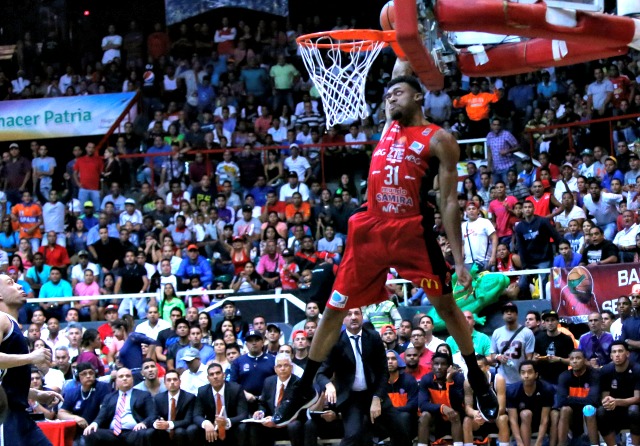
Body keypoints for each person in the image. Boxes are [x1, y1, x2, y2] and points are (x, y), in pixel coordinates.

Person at [275, 65, 497, 426]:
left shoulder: (438, 138)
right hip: (370, 229)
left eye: (398, 93)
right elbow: (399, 63)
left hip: (411, 230)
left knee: (445, 305)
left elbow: (449, 203)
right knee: (334, 310)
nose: (390, 97)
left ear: (418, 96)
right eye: (387, 94)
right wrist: (398, 21)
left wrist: (459, 260)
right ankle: (303, 387)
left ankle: (475, 373)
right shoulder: (388, 127)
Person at [315, 307, 413, 446]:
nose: (353, 317)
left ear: (362, 316)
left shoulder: (373, 337)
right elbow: (321, 373)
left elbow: (383, 371)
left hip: (374, 393)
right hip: (351, 398)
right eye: (349, 314)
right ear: (343, 319)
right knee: (353, 434)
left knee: (400, 428)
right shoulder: (336, 342)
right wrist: (328, 384)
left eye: (357, 313)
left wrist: (377, 397)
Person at [0, 273, 62, 443]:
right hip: (6, 416)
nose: (20, 286)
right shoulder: (1, 319)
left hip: (21, 414)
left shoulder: (14, 324)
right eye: (10, 283)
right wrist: (31, 357)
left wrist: (36, 394)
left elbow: (6, 380)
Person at [83, 367, 157, 446]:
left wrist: (143, 423)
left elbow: (153, 414)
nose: (125, 378)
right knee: (90, 433)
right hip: (112, 433)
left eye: (128, 376)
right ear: (116, 381)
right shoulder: (109, 397)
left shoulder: (143, 395)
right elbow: (102, 415)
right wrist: (94, 423)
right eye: (121, 376)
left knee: (148, 433)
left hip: (134, 432)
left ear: (132, 379)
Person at [244, 353, 304, 446]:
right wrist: (261, 412)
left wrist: (275, 420)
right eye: (279, 366)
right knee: (254, 426)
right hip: (271, 422)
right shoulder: (269, 381)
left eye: (286, 365)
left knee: (294, 426)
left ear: (291, 367)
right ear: (275, 369)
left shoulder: (298, 383)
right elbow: (263, 403)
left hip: (289, 421)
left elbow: (293, 408)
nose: (282, 368)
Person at [192, 362, 249, 445]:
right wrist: (206, 423)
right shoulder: (202, 391)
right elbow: (196, 415)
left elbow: (243, 414)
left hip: (231, 426)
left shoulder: (236, 389)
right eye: (211, 374)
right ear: (208, 378)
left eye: (218, 373)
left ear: (224, 375)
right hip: (212, 427)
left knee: (242, 427)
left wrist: (227, 422)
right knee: (193, 429)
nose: (215, 376)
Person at [596, 341, 640, 446]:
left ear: (627, 354)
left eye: (620, 351)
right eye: (614, 352)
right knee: (601, 411)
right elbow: (605, 396)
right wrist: (607, 402)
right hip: (614, 409)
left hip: (635, 410)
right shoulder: (606, 371)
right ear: (611, 356)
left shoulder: (637, 369)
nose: (617, 354)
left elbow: (638, 398)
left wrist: (617, 401)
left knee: (634, 410)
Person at [555, 350, 600, 446]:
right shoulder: (564, 376)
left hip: (590, 413)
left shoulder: (594, 375)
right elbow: (560, 401)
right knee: (564, 409)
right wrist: (580, 400)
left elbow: (594, 400)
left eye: (578, 358)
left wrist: (570, 398)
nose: (574, 361)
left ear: (585, 360)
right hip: (572, 413)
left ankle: (595, 444)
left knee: (589, 409)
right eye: (572, 359)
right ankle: (561, 444)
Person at [58, 362, 112, 441]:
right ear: (78, 377)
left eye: (91, 373)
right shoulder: (72, 392)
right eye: (84, 374)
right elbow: (61, 413)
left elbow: (104, 411)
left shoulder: (103, 387)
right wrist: (76, 418)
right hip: (79, 432)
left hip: (99, 429)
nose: (88, 376)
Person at [506, 361, 554, 446]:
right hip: (521, 422)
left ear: (536, 374)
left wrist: (538, 443)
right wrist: (519, 442)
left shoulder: (546, 389)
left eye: (530, 372)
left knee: (554, 414)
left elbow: (544, 419)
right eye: (523, 373)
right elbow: (513, 420)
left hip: (538, 421)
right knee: (526, 414)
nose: (526, 376)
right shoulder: (512, 390)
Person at [491, 302, 535, 384]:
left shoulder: (527, 333)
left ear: (517, 314)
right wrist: (498, 357)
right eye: (506, 311)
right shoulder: (497, 333)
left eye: (512, 311)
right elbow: (492, 355)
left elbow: (529, 359)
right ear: (502, 315)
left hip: (521, 379)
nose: (509, 313)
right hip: (502, 379)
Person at [151, 369, 196, 446]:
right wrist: (158, 423)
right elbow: (154, 416)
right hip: (163, 429)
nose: (172, 382)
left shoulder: (189, 397)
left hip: (181, 428)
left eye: (175, 379)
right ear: (164, 383)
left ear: (180, 382)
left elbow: (188, 420)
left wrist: (168, 424)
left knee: (179, 432)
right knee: (154, 431)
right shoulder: (158, 398)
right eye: (168, 380)